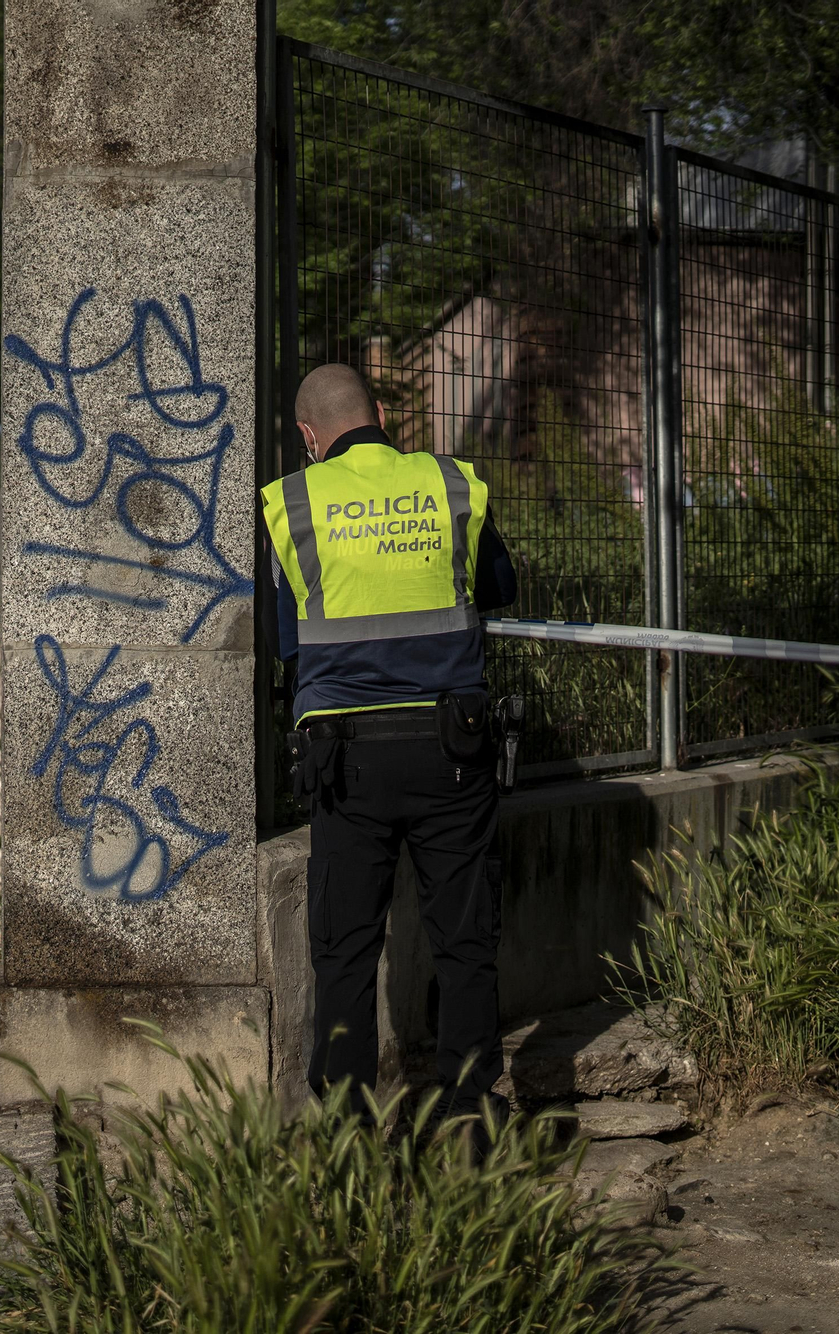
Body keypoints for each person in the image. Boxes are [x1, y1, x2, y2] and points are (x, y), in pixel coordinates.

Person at [259, 363, 518, 1127]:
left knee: (344, 949)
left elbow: (289, 643)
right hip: (455, 750)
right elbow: (497, 585)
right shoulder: (450, 485)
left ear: (309, 435)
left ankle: (349, 1130)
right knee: (465, 940)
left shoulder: (293, 503)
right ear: (379, 414)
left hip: (347, 760)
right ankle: (471, 1117)